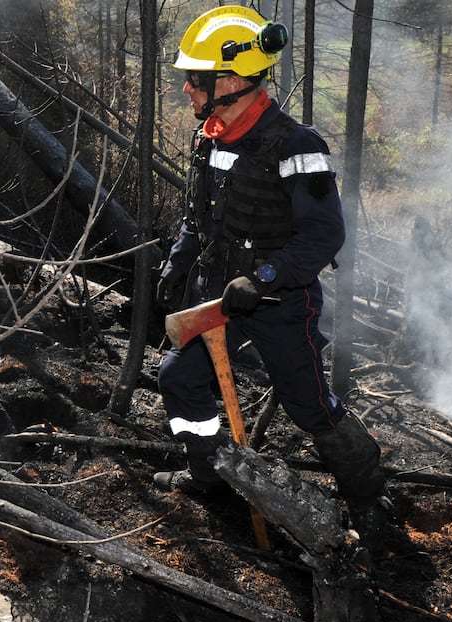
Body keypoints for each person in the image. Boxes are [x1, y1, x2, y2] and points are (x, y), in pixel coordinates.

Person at [153, 5, 388, 535]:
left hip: (282, 304)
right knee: (177, 378)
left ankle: (368, 495)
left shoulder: (298, 147)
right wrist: (177, 264)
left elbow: (324, 235)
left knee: (309, 406)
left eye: (196, 79)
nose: (187, 89)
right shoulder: (209, 140)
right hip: (217, 299)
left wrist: (261, 280)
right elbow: (200, 219)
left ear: (232, 80)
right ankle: (212, 474)